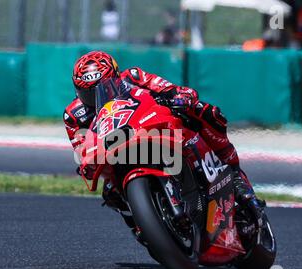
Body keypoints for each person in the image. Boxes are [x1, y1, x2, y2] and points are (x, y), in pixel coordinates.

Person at [64, 51, 265, 229]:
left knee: (205, 112)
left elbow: (167, 88)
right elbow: (82, 148)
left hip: (150, 127)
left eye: (101, 89)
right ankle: (143, 226)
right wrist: (86, 162)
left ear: (116, 78)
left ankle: (236, 175)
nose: (94, 97)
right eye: (87, 93)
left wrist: (179, 97)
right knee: (110, 194)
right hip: (115, 152)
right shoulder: (73, 115)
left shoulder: (133, 77)